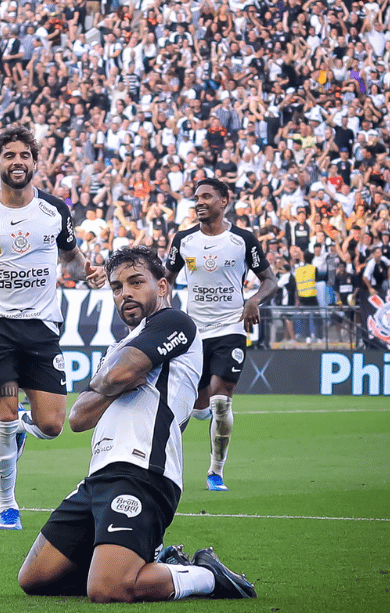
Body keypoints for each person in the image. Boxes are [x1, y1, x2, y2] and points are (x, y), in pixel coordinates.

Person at [18, 246, 257, 602]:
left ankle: (205, 575)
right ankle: (150, 564)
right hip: (99, 475)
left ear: (162, 286)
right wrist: (120, 379)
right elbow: (78, 417)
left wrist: (119, 378)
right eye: (116, 287)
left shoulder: (175, 322)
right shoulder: (122, 345)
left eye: (135, 282)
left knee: (107, 589)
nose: (124, 293)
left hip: (143, 471)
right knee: (35, 579)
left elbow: (119, 374)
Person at [0, 125, 106, 531]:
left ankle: (24, 430)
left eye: (24, 155)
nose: (17, 162)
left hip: (43, 329)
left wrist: (89, 273)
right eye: (9, 156)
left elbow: (73, 260)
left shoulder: (54, 210)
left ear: (34, 162)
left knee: (52, 425)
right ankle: (7, 505)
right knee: (3, 417)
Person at [163, 177, 277, 491]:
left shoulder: (243, 239)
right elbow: (165, 280)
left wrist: (254, 299)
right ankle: (162, 462)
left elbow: (270, 280)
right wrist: (165, 308)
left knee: (220, 399)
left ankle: (215, 472)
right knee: (192, 407)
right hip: (193, 332)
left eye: (206, 197)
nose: (199, 202)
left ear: (224, 200)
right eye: (196, 198)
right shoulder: (184, 240)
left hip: (231, 327)